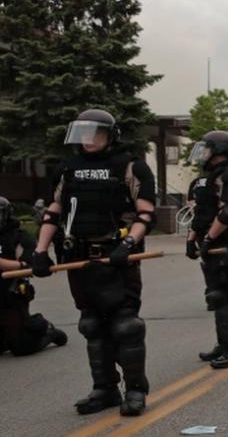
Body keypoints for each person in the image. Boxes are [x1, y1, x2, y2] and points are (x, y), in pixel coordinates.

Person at [32, 109, 155, 416]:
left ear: (110, 135)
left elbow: (145, 214)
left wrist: (128, 244)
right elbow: (54, 211)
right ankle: (105, 388)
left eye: (95, 133)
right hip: (78, 256)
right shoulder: (68, 169)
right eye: (83, 134)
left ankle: (136, 390)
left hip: (116, 255)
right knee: (92, 324)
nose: (88, 140)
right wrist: (40, 251)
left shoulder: (130, 166)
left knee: (126, 325)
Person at [186, 130, 228, 370]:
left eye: (206, 148)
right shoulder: (210, 175)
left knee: (226, 298)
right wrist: (192, 237)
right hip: (210, 241)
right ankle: (224, 344)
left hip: (225, 242)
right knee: (215, 296)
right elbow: (203, 211)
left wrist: (208, 239)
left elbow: (227, 213)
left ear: (219, 150)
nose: (202, 152)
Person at [0, 196, 69, 357]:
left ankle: (47, 330)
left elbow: (27, 264)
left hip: (9, 296)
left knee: (21, 346)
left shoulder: (18, 237)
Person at [186, 175, 228, 312]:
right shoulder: (223, 180)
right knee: (226, 260)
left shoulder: (198, 183)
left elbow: (196, 214)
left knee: (218, 261)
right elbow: (226, 210)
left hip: (210, 228)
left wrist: (191, 239)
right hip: (221, 227)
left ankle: (220, 296)